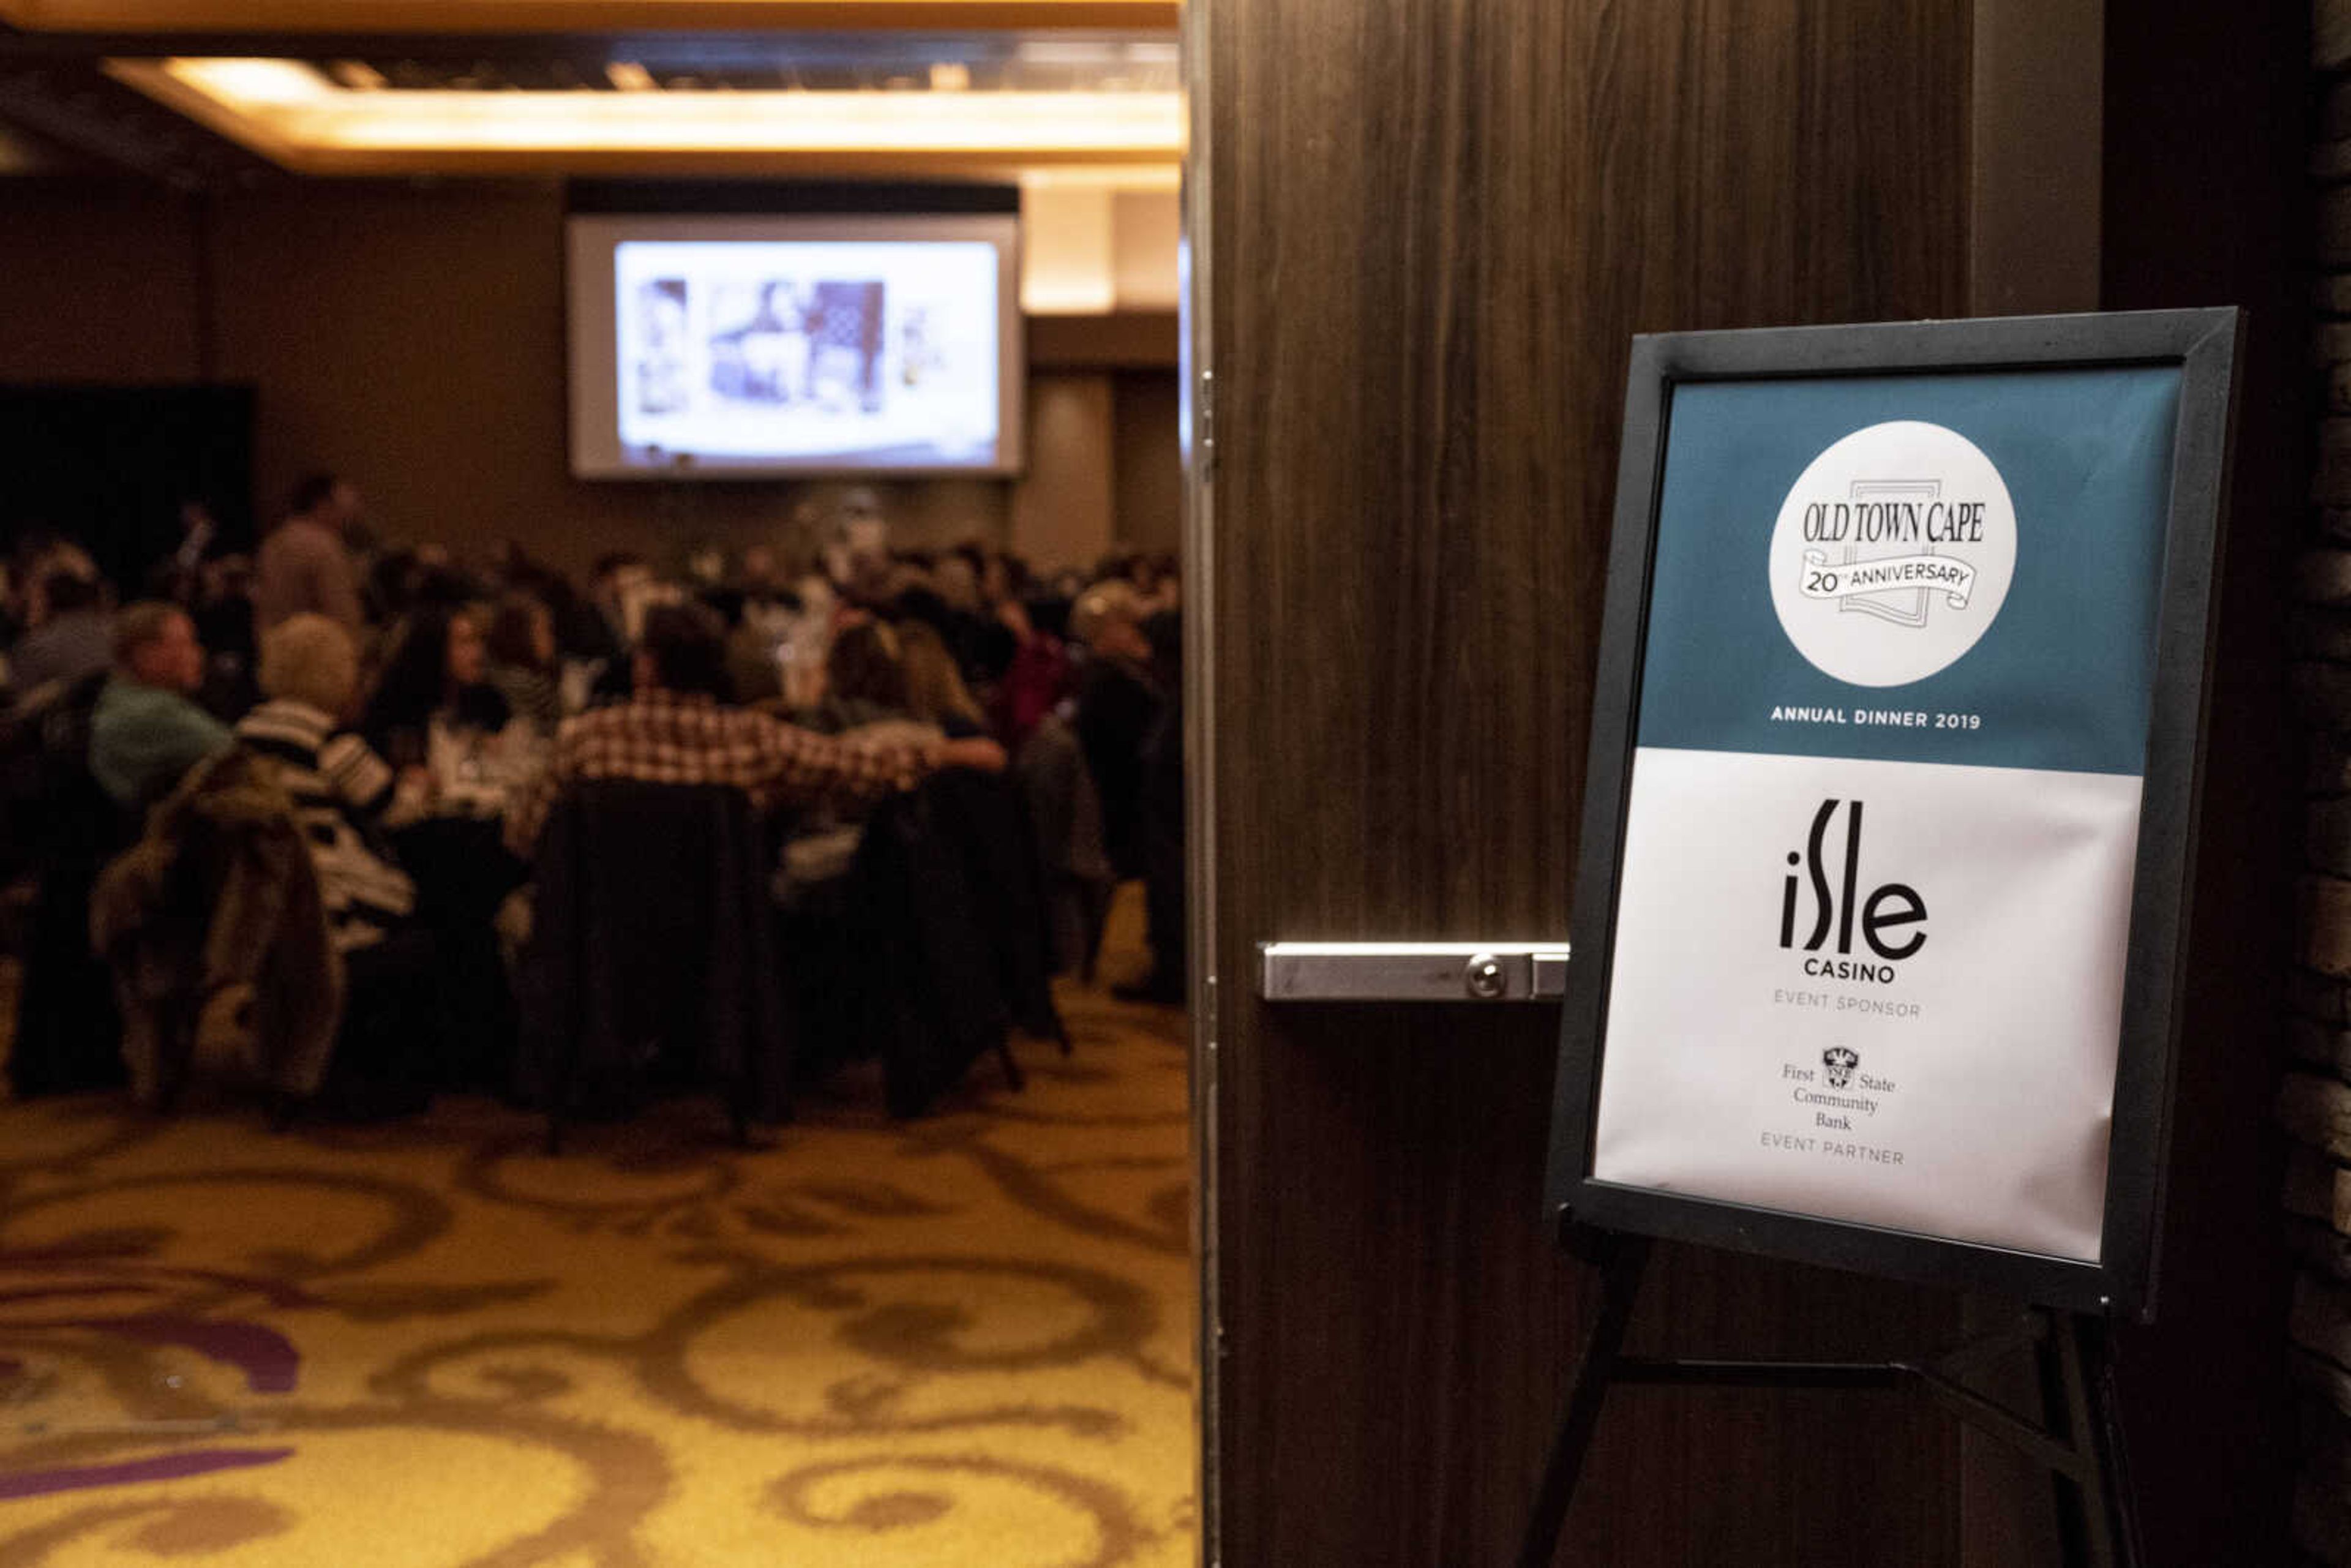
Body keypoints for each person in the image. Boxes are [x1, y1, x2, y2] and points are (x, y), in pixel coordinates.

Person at [505, 602, 931, 860]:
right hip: (725, 954)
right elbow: (864, 768)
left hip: (599, 957)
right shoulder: (753, 739)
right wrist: (943, 752)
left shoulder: (586, 740)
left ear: (646, 665)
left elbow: (523, 835)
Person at [234, 615, 417, 954]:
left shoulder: (247, 730)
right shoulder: (327, 740)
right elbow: (394, 810)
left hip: (266, 892)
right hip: (330, 898)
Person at [88, 601, 233, 811]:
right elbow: (240, 754)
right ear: (146, 655)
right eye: (186, 643)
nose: (198, 654)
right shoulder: (150, 712)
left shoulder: (118, 697)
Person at [1069, 580, 1165, 883]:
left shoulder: (1116, 675)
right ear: (1105, 632)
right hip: (1127, 822)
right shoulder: (1110, 685)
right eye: (1130, 626)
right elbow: (1144, 751)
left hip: (1126, 813)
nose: (1138, 634)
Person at [255, 473, 364, 632]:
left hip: (276, 645)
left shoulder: (273, 542)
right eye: (340, 510)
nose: (346, 519)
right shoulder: (324, 545)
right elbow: (342, 613)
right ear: (323, 505)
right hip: (316, 647)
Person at [9, 569, 112, 696]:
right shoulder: (117, 631)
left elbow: (21, 699)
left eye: (35, 600)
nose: (30, 606)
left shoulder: (34, 647)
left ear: (47, 602)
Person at [484, 595, 564, 738]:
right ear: (521, 636)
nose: (552, 640)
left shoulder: (500, 674)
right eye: (544, 631)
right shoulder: (527, 685)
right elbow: (556, 733)